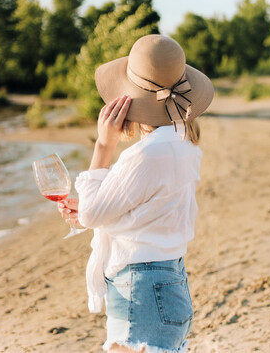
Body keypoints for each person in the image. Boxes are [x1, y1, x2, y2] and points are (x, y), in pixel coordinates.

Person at [58, 34, 214, 353]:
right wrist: (97, 209)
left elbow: (92, 214)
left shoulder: (145, 155)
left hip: (140, 289)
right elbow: (145, 207)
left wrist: (104, 145)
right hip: (171, 281)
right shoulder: (184, 147)